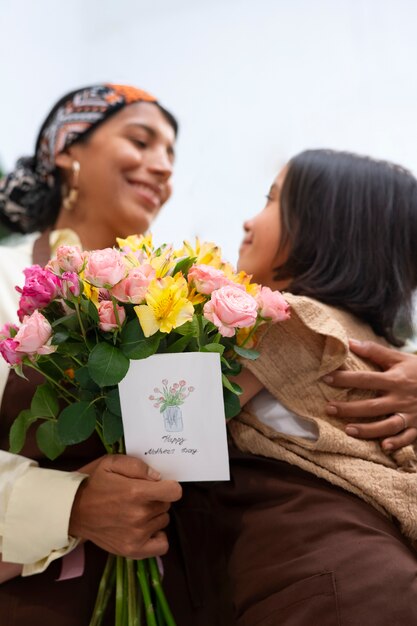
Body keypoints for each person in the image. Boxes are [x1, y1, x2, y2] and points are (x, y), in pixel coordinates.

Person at [0, 83, 233, 626]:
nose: (162, 168)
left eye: (171, 155)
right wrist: (74, 507)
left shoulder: (181, 301)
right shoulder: (4, 279)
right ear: (67, 151)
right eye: (141, 140)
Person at [217, 149, 417, 624]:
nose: (248, 221)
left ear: (326, 229)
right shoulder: (377, 346)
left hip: (334, 590)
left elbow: (171, 434)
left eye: (271, 200)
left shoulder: (288, 322)